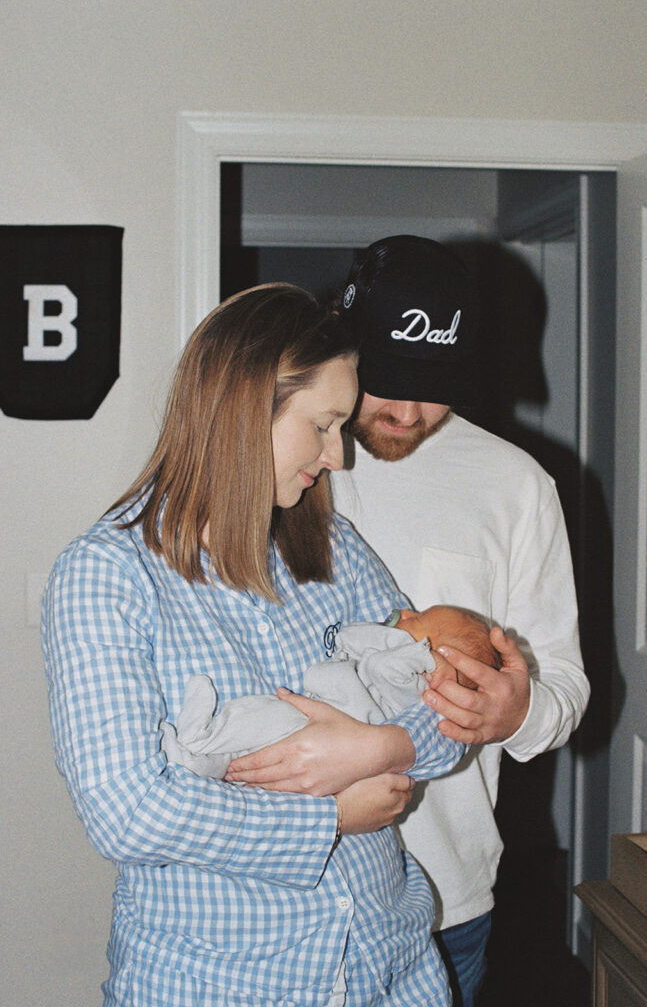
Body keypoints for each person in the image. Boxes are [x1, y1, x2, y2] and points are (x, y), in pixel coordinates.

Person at [42, 282, 474, 1007]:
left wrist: (381, 748)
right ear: (245, 409)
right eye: (323, 425)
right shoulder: (108, 575)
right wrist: (329, 817)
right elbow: (127, 811)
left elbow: (443, 701)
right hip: (218, 986)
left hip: (392, 972)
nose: (338, 456)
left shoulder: (333, 546)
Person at [331, 236, 591, 1007]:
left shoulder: (515, 485)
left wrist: (519, 712)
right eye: (387, 381)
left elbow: (565, 683)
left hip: (445, 895)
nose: (407, 412)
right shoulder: (276, 459)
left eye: (433, 386)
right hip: (281, 883)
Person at [162, 604, 502, 779]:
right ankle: (205, 761)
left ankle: (197, 742)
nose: (407, 611)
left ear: (439, 658)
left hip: (314, 726)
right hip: (317, 719)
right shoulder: (407, 675)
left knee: (256, 719)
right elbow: (351, 639)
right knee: (253, 731)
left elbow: (379, 667)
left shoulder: (414, 685)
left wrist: (422, 656)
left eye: (420, 618)